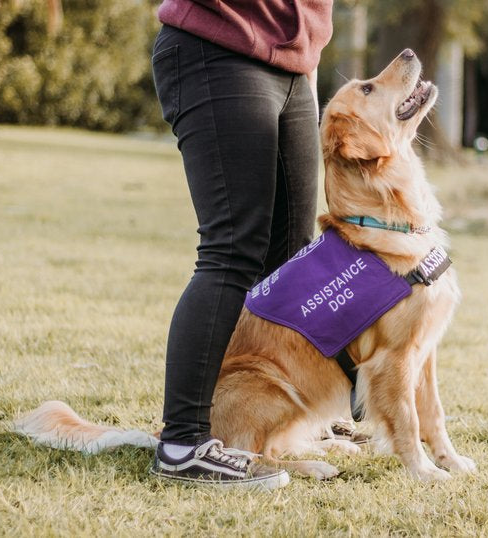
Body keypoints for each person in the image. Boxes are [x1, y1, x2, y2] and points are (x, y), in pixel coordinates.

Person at [148, 0, 333, 489]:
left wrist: (307, 65)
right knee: (233, 247)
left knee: (293, 257)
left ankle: (286, 430)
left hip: (294, 66)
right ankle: (182, 444)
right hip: (218, 45)